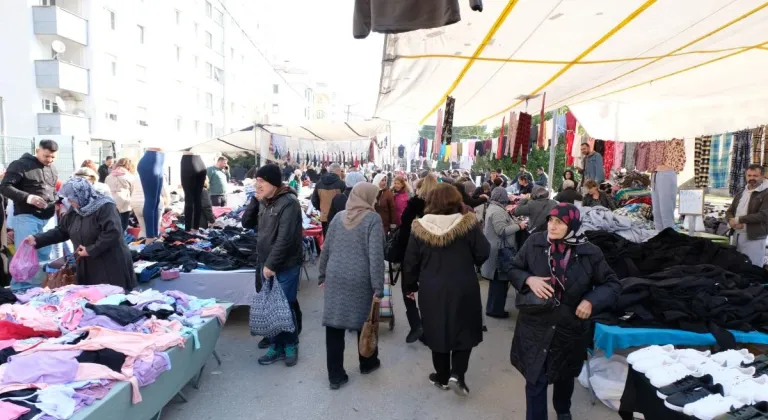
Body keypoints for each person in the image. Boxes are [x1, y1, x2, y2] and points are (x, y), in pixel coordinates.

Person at [509, 203, 620, 420]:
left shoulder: (589, 252)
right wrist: (528, 279)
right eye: (550, 220)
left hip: (569, 328)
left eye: (559, 222)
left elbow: (612, 284)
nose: (552, 226)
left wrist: (590, 301)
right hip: (535, 325)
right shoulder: (534, 242)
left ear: (572, 225)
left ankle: (563, 411)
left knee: (564, 376)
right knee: (535, 379)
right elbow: (513, 268)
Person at [403, 183, 490, 396]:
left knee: (436, 329)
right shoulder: (467, 224)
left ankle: (441, 376)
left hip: (432, 288)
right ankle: (457, 374)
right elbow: (483, 252)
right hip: (464, 285)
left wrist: (410, 286)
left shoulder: (419, 227)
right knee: (464, 328)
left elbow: (410, 263)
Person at [319, 182, 385, 390]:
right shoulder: (373, 219)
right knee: (364, 321)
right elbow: (376, 256)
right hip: (360, 279)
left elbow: (326, 248)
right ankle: (368, 363)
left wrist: (322, 275)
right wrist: (378, 288)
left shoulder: (338, 217)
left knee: (334, 326)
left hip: (336, 276)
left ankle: (335, 376)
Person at [26, 177, 136, 290]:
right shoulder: (76, 210)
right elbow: (62, 231)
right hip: (87, 265)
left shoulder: (106, 206)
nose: (69, 201)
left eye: (71, 198)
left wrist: (91, 250)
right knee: (91, 300)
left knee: (112, 300)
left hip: (110, 264)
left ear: (81, 193)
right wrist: (38, 239)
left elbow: (113, 232)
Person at [254, 164, 303, 367]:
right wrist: (253, 200)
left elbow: (285, 238)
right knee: (270, 307)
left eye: (261, 181)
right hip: (265, 261)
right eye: (256, 181)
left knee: (285, 305)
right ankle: (276, 345)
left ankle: (290, 344)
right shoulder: (264, 201)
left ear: (273, 182)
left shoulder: (289, 203)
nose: (258, 185)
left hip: (285, 264)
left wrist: (272, 263)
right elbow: (247, 223)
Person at [0, 140, 59, 290]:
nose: (49, 160)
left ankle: (40, 287)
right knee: (25, 255)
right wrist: (28, 197)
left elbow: (51, 190)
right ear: (38, 150)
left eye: (53, 157)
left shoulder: (52, 168)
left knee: (45, 254)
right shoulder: (20, 164)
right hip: (27, 216)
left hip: (48, 217)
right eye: (46, 156)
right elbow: (5, 187)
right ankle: (21, 288)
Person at [396, 173, 439, 343]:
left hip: (412, 251)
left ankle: (416, 324)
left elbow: (404, 226)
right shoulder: (441, 206)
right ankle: (429, 328)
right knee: (430, 290)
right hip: (434, 253)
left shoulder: (414, 203)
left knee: (408, 287)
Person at [481, 187, 526, 318]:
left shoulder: (494, 208)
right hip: (500, 252)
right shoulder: (498, 212)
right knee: (499, 283)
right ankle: (495, 310)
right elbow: (502, 231)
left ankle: (493, 308)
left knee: (497, 283)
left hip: (496, 250)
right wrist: (519, 226)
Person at [727, 164, 768, 266]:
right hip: (737, 235)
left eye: (755, 176)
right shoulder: (742, 192)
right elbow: (729, 211)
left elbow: (764, 215)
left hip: (755, 238)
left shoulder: (766, 193)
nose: (752, 178)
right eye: (749, 175)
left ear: (762, 176)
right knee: (737, 266)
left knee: (752, 267)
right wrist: (731, 222)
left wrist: (738, 220)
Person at [311, 163, 345, 236]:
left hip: (324, 216)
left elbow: (314, 200)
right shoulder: (341, 183)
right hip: (339, 217)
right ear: (338, 171)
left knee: (326, 240)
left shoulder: (319, 183)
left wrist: (321, 208)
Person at [104, 158, 136, 231]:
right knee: (123, 225)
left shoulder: (109, 176)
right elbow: (133, 191)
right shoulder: (129, 176)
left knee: (112, 225)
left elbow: (106, 189)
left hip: (111, 202)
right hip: (125, 203)